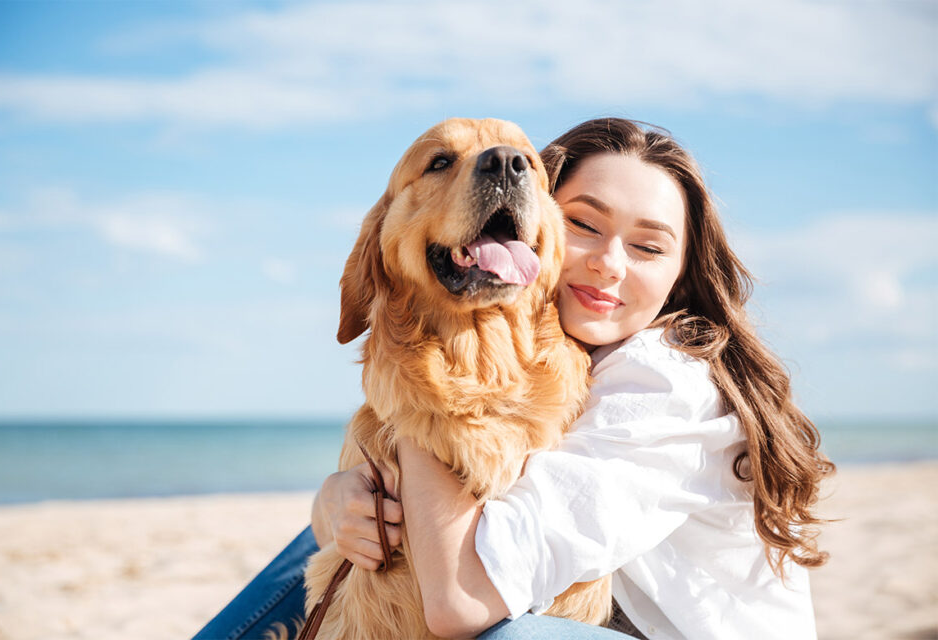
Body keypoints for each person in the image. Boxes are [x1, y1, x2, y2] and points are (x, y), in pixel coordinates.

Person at [193, 118, 833, 640]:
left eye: (648, 246)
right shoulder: (570, 356)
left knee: (509, 634)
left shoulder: (661, 380)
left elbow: (463, 597)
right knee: (348, 523)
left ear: (681, 276)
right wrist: (332, 505)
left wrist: (417, 389)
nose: (609, 264)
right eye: (584, 223)